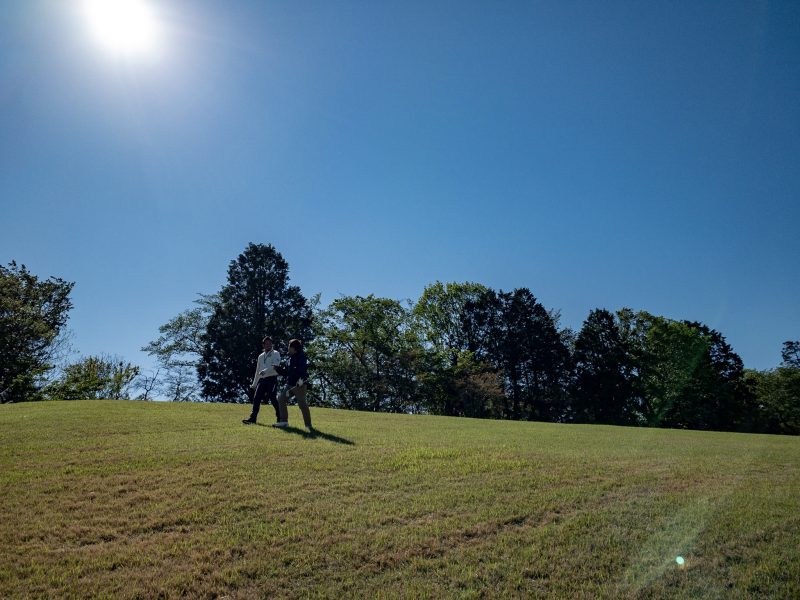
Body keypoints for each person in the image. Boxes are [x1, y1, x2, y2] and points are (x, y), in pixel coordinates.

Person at [242, 336, 281, 425]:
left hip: (272, 379)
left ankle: (280, 418)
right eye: (266, 344)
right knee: (256, 398)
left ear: (272, 344)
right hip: (262, 380)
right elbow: (257, 371)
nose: (268, 345)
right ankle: (252, 419)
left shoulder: (276, 353)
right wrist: (254, 384)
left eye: (270, 343)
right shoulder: (260, 356)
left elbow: (276, 365)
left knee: (272, 398)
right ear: (263, 345)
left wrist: (265, 371)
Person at [274, 338, 312, 430]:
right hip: (290, 385)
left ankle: (308, 425)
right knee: (281, 399)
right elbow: (286, 372)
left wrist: (301, 380)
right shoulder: (289, 359)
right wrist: (278, 369)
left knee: (302, 405)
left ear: (293, 348)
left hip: (300, 385)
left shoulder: (301, 357)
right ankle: (284, 422)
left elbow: (303, 370)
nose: (287, 348)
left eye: (289, 346)